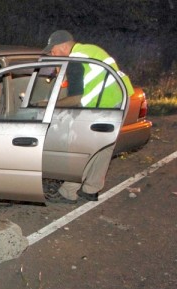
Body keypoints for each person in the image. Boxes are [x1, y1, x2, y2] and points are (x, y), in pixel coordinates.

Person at [43, 30, 134, 203]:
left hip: (105, 104)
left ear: (63, 46)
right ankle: (91, 189)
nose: (52, 54)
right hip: (120, 98)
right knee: (104, 146)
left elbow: (76, 98)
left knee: (84, 146)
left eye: (53, 50)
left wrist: (49, 104)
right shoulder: (88, 50)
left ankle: (68, 192)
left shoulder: (76, 59)